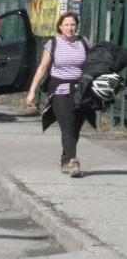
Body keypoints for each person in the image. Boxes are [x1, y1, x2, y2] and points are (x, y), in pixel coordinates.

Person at [25, 11, 89, 177]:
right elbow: (42, 68)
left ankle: (65, 159)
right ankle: (73, 162)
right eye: (66, 24)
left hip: (79, 90)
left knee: (75, 127)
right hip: (59, 90)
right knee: (67, 124)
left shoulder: (83, 42)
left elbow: (90, 66)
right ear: (60, 26)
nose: (70, 28)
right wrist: (32, 91)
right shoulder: (53, 44)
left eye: (73, 24)